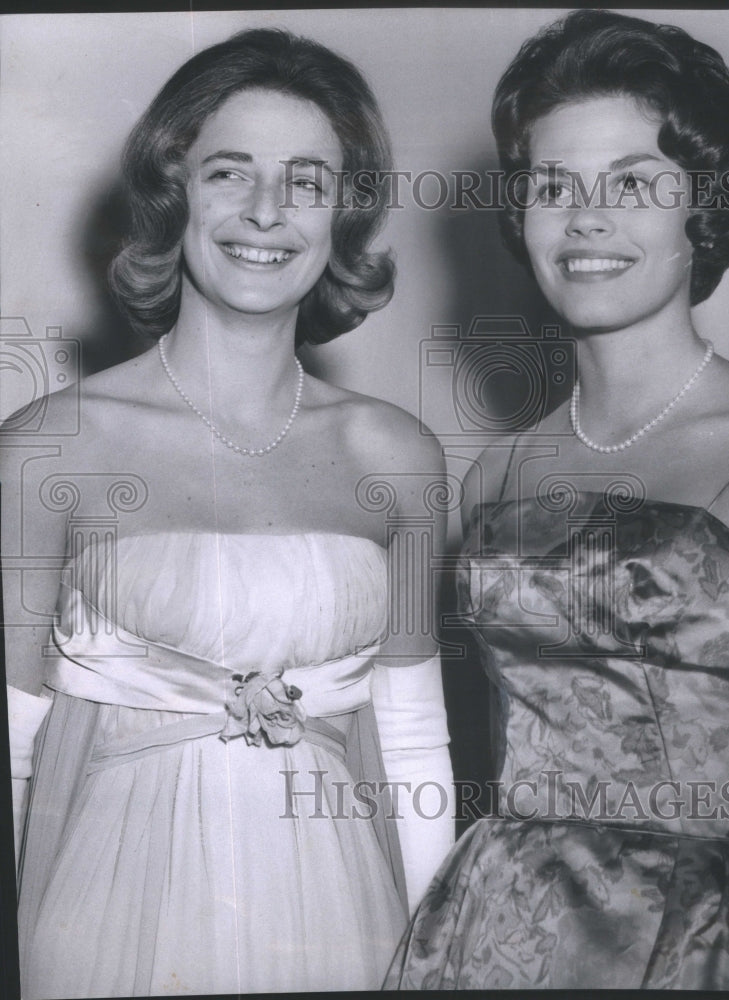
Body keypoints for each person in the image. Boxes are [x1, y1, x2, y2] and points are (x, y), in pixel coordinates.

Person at [385, 9, 729, 992]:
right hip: (500, 934)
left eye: (633, 183)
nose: (586, 217)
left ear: (704, 206)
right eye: (553, 185)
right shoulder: (496, 476)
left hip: (728, 947)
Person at [2, 28, 454, 997]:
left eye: (306, 181)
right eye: (228, 173)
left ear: (345, 213)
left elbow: (414, 741)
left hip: (343, 918)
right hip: (100, 912)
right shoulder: (50, 445)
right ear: (175, 193)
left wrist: (436, 968)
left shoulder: (399, 457)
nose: (265, 212)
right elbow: (11, 744)